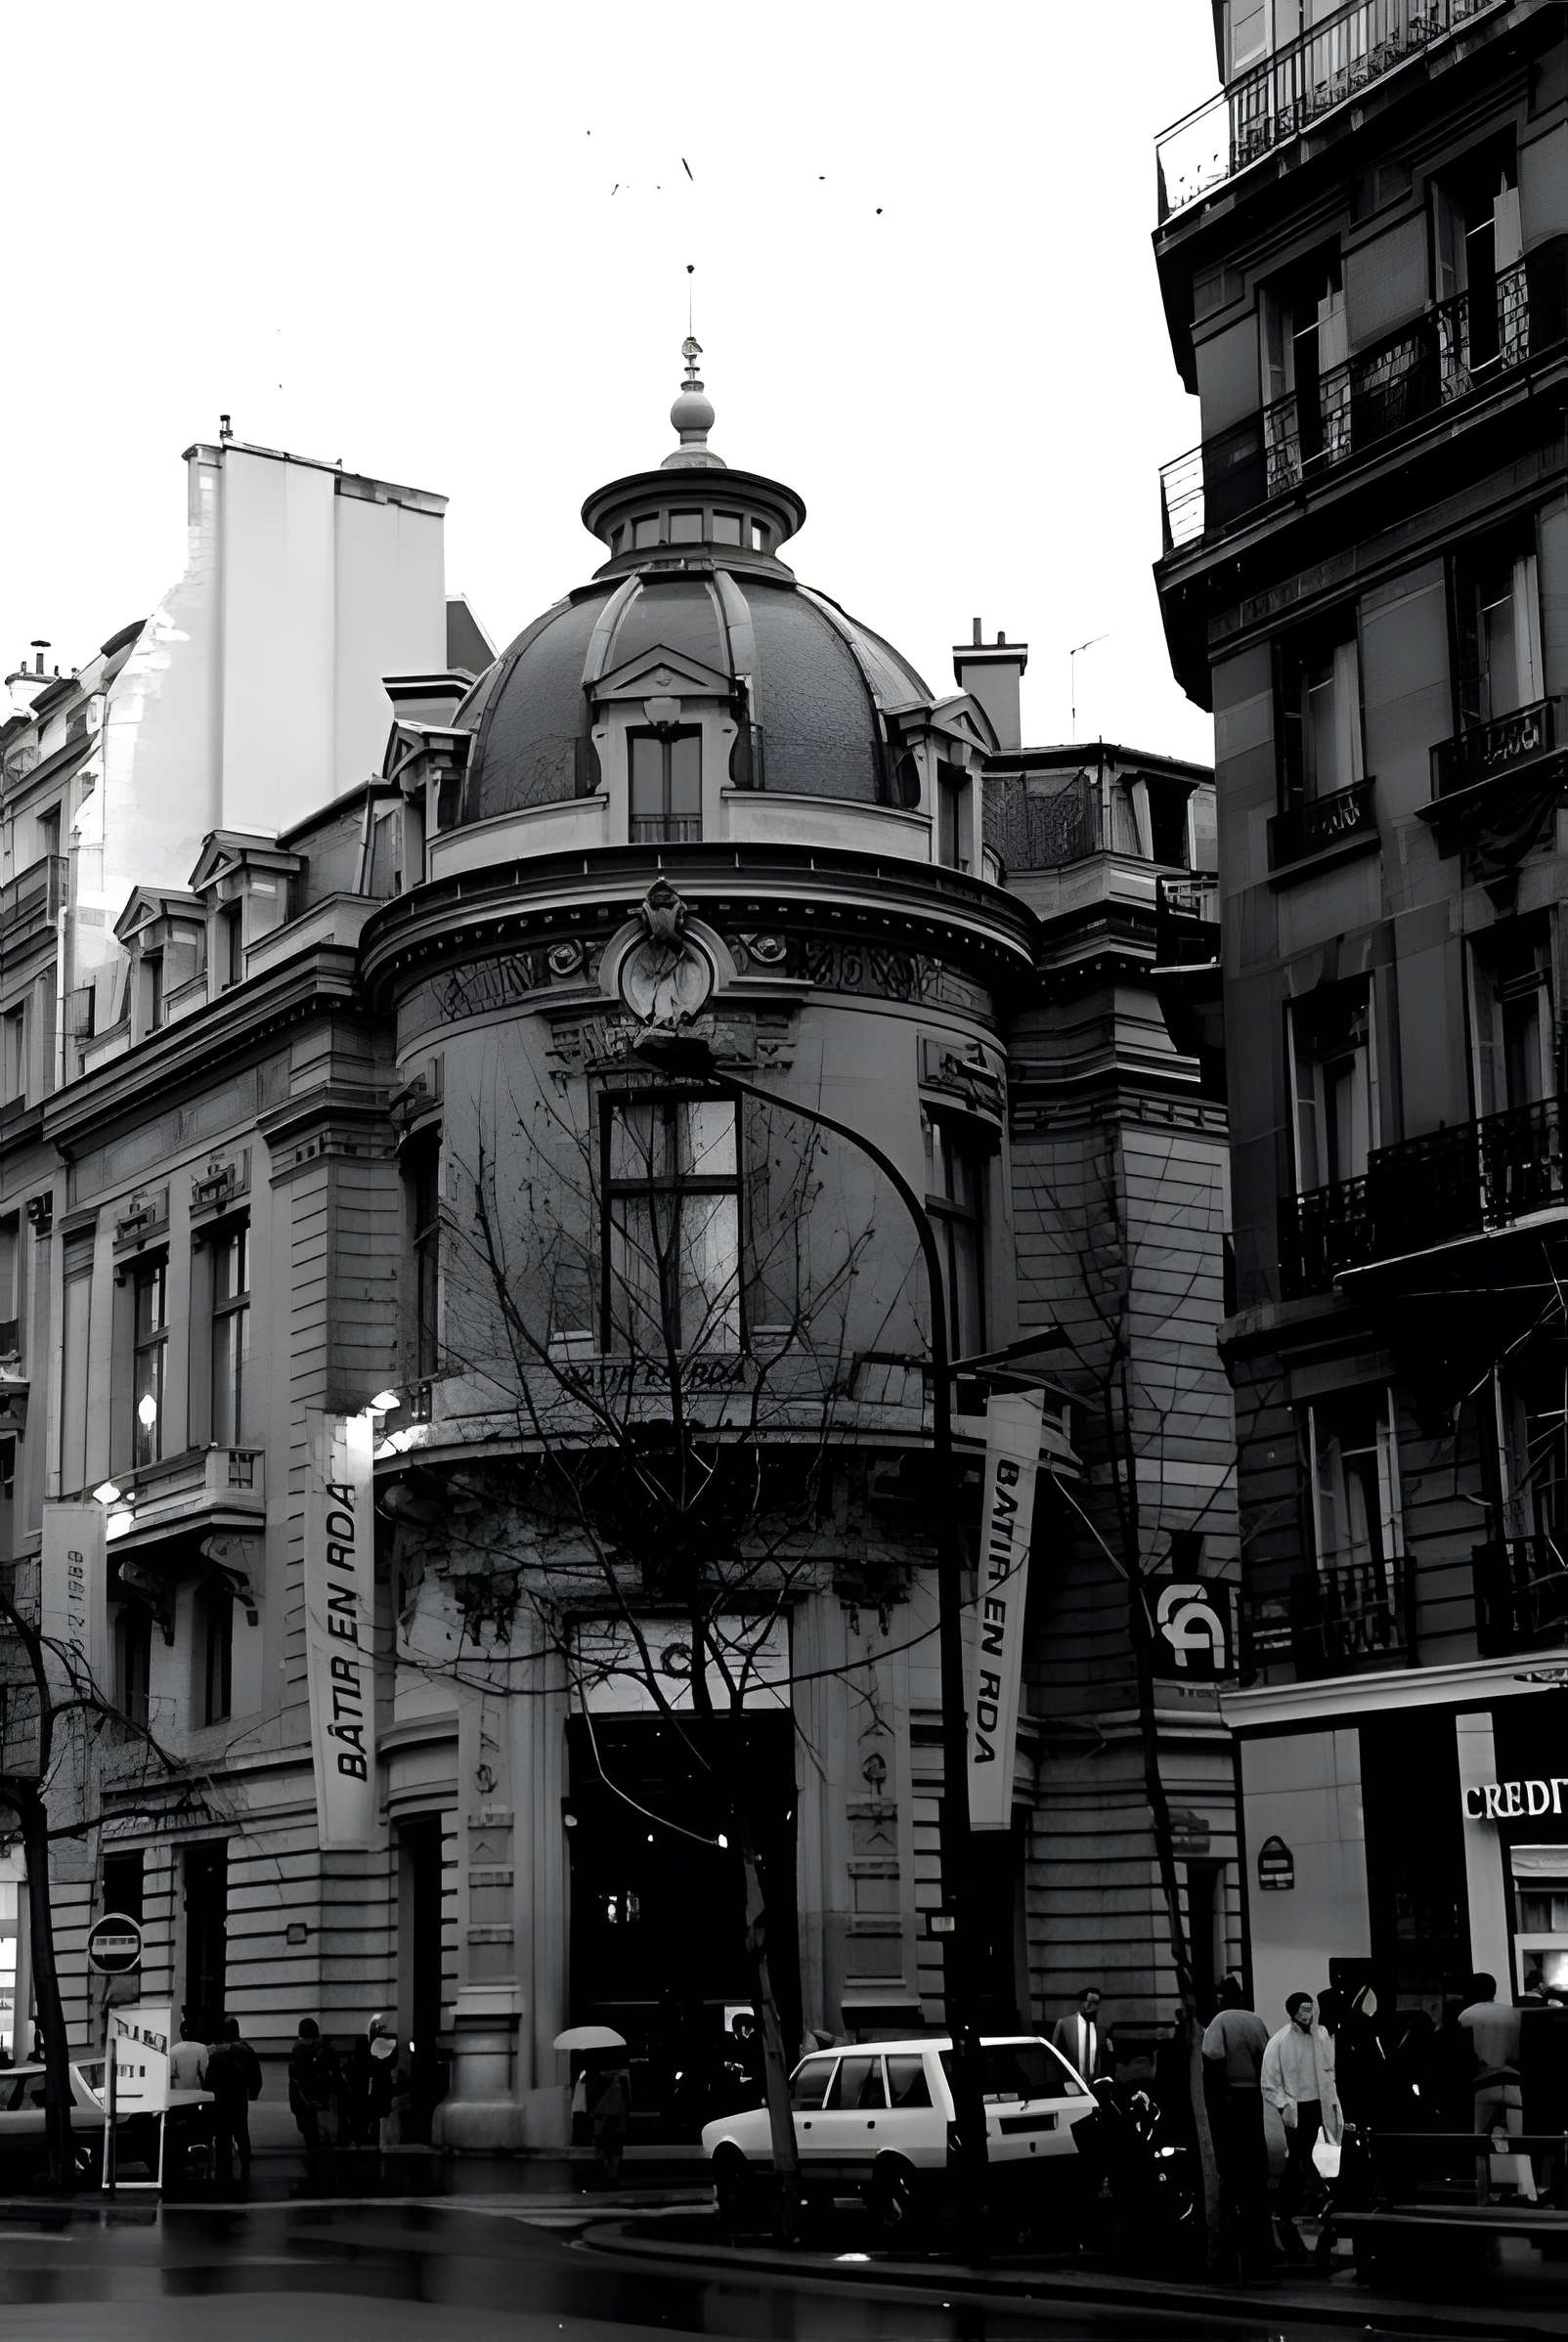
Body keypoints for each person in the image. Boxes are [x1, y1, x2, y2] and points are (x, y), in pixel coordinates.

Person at [1261, 1990, 1342, 2261]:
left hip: (1319, 2104)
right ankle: (1316, 2197)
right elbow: (1269, 2080)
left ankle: (1295, 2203)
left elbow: (1329, 2070)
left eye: (1310, 2009)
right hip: (1298, 2108)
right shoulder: (1281, 2041)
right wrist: (1284, 2105)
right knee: (1301, 2156)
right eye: (1303, 2009)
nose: (1307, 2014)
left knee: (1307, 2156)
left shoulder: (1320, 2036)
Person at [1201, 1975, 1272, 2281]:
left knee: (1231, 2175)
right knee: (1255, 2174)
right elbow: (1267, 2058)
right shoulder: (1256, 2022)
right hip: (1254, 2098)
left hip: (1230, 2100)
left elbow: (1213, 2060)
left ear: (1222, 1998)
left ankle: (1229, 2249)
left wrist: (1216, 2103)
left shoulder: (1219, 2023)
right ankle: (1261, 2246)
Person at [1459, 1971, 1529, 2200]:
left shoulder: (1466, 2016)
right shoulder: (1513, 2015)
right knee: (1519, 2142)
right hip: (1514, 2084)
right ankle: (1526, 2191)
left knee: (1480, 2141)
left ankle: (1485, 2192)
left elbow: (1464, 2056)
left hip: (1484, 2084)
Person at [206, 2016, 263, 2185]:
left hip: (221, 2098)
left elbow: (209, 2079)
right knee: (241, 2130)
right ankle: (245, 2161)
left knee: (223, 2135)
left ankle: (223, 2173)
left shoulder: (214, 2053)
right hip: (238, 2096)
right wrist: (254, 2091)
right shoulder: (246, 2050)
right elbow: (255, 2074)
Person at [287, 2017, 340, 2174]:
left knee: (310, 2135)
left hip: (305, 2102)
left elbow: (299, 2081)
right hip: (314, 2101)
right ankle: (319, 2169)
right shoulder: (318, 2051)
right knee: (316, 2136)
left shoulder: (299, 2052)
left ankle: (316, 2169)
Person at [1052, 1987, 1111, 2084]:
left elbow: (1105, 2059)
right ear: (1081, 2002)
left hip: (1095, 2087)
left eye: (1094, 2002)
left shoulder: (1101, 2029)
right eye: (1087, 2001)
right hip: (1071, 2085)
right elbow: (1055, 2057)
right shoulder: (1064, 2024)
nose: (1089, 2005)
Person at [589, 2059, 632, 2187]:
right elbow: (627, 2100)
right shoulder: (622, 2079)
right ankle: (613, 2175)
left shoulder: (598, 2080)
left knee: (605, 2151)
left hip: (604, 2122)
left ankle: (610, 2174)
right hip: (617, 2121)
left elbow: (594, 2104)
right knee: (615, 2151)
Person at [169, 2019, 208, 2093]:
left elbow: (171, 2074)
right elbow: (205, 2072)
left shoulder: (173, 2050)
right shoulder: (202, 2048)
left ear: (181, 2033)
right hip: (197, 2092)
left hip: (178, 2093)